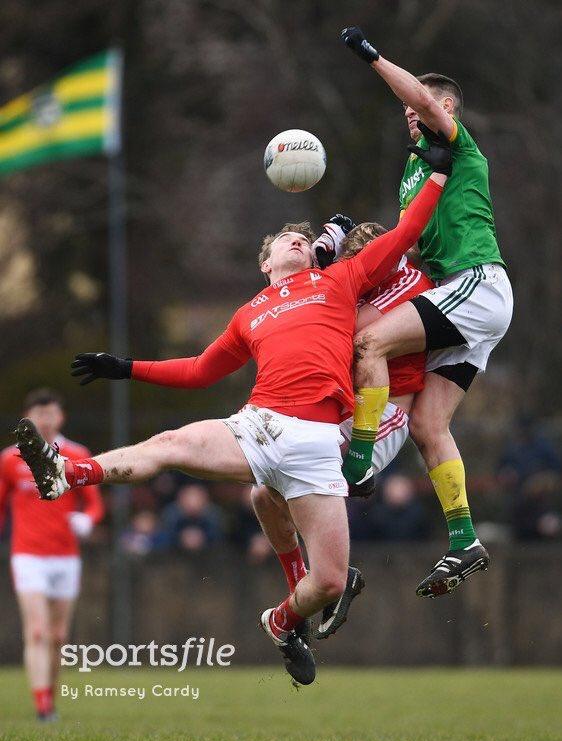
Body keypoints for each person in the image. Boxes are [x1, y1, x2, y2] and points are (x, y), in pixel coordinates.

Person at [14, 140, 450, 686]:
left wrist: (437, 178)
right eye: (285, 239)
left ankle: (282, 620)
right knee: (169, 444)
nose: (298, 238)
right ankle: (67, 472)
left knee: (331, 581)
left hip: (319, 441)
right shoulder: (250, 312)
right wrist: (126, 368)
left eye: (304, 237)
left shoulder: (338, 280)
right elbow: (199, 370)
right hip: (260, 425)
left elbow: (404, 235)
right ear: (266, 264)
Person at [340, 27, 513, 598]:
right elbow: (408, 246)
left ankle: (358, 463)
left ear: (447, 110)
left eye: (424, 105)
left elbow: (419, 98)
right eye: (409, 111)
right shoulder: (415, 172)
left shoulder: (461, 147)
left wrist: (372, 58)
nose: (413, 113)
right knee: (427, 426)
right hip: (464, 303)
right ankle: (465, 541)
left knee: (370, 344)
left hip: (476, 285)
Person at [250, 220, 434, 639]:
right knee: (262, 492)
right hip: (341, 413)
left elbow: (338, 327)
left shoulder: (407, 283)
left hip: (382, 414)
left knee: (288, 481)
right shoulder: (342, 285)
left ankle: (329, 578)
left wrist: (315, 270)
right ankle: (302, 584)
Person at [0, 389, 104, 721]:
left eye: (51, 413)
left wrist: (87, 520)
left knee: (58, 637)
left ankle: (50, 697)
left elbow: (95, 504)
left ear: (61, 417)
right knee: (37, 631)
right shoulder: (9, 459)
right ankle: (42, 704)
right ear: (27, 419)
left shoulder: (77, 454)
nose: (45, 420)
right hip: (27, 555)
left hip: (66, 557)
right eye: (39, 414)